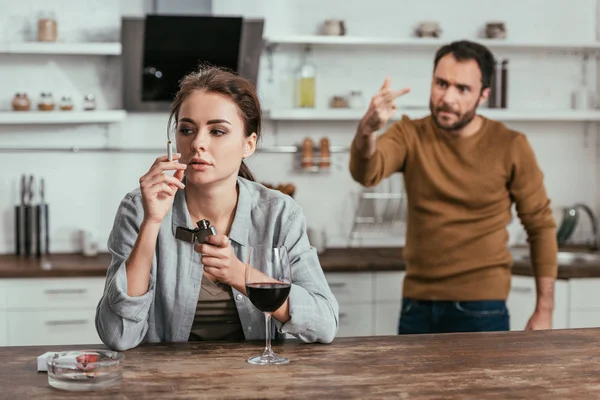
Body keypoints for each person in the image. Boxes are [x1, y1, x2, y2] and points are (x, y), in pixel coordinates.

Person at [95, 66, 339, 351]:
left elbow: (324, 323)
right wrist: (152, 222)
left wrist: (241, 275)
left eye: (217, 131)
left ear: (249, 144)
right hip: (165, 384)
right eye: (187, 130)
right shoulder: (138, 208)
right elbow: (117, 336)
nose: (197, 143)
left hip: (256, 381)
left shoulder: (279, 213)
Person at [349, 40, 558, 334]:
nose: (448, 97)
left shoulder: (511, 145)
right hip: (416, 306)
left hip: (483, 307)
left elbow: (541, 227)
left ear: (483, 95)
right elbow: (366, 172)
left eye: (462, 89)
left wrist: (544, 310)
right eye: (441, 83)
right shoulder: (410, 133)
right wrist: (368, 130)